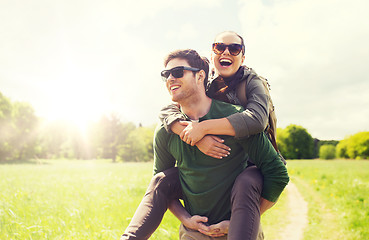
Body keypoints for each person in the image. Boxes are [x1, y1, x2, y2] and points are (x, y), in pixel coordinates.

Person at [121, 49, 289, 240]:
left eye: (177, 72)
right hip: (193, 234)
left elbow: (277, 174)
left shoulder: (235, 119)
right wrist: (186, 218)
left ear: (200, 75)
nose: (170, 79)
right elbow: (162, 186)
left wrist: (240, 220)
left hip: (238, 232)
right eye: (165, 74)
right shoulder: (166, 130)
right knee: (161, 179)